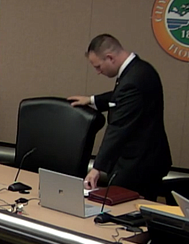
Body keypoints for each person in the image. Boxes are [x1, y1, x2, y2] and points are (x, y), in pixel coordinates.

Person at [70, 34, 171, 198]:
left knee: (121, 211)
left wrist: (97, 168)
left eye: (98, 66)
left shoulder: (133, 80)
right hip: (148, 158)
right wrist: (92, 100)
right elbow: (120, 97)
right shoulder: (141, 70)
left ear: (110, 58)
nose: (97, 72)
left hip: (138, 164)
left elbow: (118, 128)